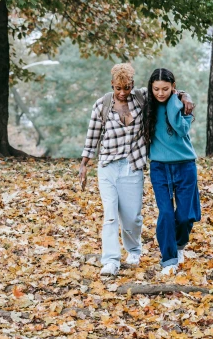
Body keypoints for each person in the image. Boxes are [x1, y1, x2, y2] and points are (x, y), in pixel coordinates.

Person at [79, 64, 193, 277]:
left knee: (132, 218)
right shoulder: (102, 105)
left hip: (133, 165)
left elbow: (167, 90)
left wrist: (185, 97)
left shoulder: (141, 98)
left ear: (133, 85)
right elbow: (92, 135)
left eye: (127, 87)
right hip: (108, 166)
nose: (123, 92)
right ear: (112, 85)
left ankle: (133, 249)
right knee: (110, 216)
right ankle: (111, 260)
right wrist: (84, 164)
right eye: (118, 88)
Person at [142, 68, 202, 276]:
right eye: (156, 89)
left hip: (185, 165)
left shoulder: (182, 104)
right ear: (151, 88)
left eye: (165, 89)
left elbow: (181, 129)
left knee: (185, 216)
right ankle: (168, 259)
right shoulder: (146, 104)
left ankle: (180, 244)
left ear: (173, 87)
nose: (160, 93)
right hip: (159, 166)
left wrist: (177, 100)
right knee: (166, 213)